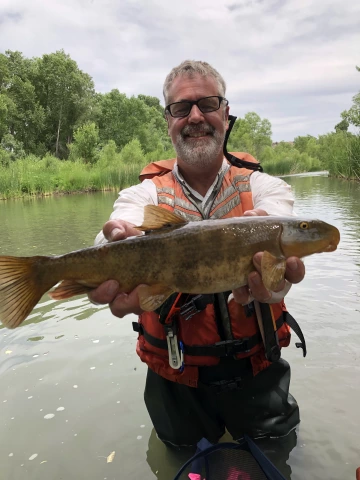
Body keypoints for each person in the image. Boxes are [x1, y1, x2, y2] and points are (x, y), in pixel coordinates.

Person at [89, 60, 306, 449]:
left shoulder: (265, 188)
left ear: (225, 113)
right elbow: (113, 231)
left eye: (207, 103)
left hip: (257, 369)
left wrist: (272, 286)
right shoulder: (144, 195)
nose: (194, 116)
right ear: (168, 120)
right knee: (178, 457)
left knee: (279, 452)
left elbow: (282, 228)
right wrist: (108, 250)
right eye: (180, 108)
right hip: (175, 378)